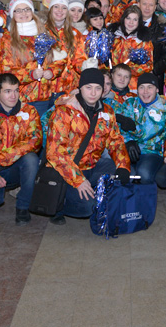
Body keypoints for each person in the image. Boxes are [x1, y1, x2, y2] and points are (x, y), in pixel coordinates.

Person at [45, 68, 131, 224]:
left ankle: (95, 193)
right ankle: (59, 205)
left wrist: (123, 166)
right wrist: (78, 180)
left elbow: (115, 141)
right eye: (88, 87)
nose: (93, 93)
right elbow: (55, 153)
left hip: (93, 165)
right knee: (88, 207)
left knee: (123, 172)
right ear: (80, 88)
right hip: (68, 170)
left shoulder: (107, 112)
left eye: (98, 88)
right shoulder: (64, 112)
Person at [0, 73, 41, 225]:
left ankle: (23, 207)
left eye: (16, 90)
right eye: (8, 91)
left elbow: (35, 141)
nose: (13, 96)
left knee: (31, 159)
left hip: (18, 167)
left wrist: (2, 159)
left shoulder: (29, 112)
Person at [115, 73, 166, 199]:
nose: (145, 91)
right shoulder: (129, 104)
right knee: (125, 174)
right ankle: (127, 203)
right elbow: (115, 128)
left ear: (157, 89)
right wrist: (127, 141)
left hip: (151, 151)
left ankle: (146, 201)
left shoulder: (165, 108)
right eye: (142, 87)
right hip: (129, 149)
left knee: (144, 174)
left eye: (150, 87)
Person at [109, 5, 154, 90]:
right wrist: (113, 71)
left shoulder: (143, 41)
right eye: (128, 18)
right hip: (112, 83)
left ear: (139, 22)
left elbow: (149, 65)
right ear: (123, 19)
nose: (131, 22)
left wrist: (127, 71)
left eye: (135, 19)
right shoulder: (114, 37)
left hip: (133, 85)